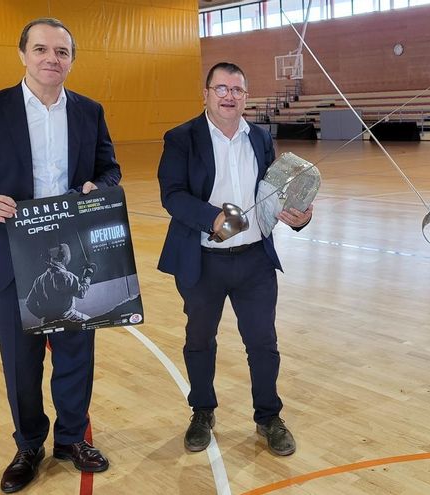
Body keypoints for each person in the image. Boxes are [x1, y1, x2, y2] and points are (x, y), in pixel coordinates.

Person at [0, 18, 120, 493]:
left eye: (61, 52)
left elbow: (110, 168)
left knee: (76, 354)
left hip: (65, 247)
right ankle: (27, 444)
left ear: (71, 60)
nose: (51, 59)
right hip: (9, 255)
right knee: (22, 361)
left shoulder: (89, 111)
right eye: (41, 49)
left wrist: (98, 186)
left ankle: (70, 439)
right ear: (22, 55)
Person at [157, 62, 313, 457]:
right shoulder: (181, 138)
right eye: (221, 88)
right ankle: (202, 411)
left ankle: (268, 417)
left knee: (263, 342)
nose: (229, 96)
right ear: (206, 94)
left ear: (246, 96)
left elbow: (274, 193)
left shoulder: (260, 137)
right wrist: (213, 218)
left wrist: (299, 215)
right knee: (199, 340)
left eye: (237, 90)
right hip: (203, 261)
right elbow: (172, 195)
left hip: (255, 261)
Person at [26, 243, 96, 324]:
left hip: (46, 321)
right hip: (67, 317)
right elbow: (81, 294)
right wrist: (87, 277)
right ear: (64, 257)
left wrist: (41, 314)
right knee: (92, 323)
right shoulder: (68, 276)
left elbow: (29, 303)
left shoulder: (39, 280)